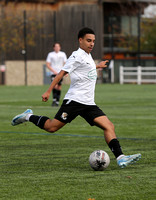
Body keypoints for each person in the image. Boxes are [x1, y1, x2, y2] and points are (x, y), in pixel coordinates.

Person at [11, 27, 141, 168]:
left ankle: (121, 158)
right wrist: (48, 91)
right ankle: (28, 116)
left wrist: (97, 66)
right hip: (74, 101)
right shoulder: (76, 55)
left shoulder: (87, 56)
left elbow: (85, 69)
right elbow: (61, 74)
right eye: (88, 40)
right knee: (51, 127)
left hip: (88, 103)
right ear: (80, 40)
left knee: (109, 126)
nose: (92, 44)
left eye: (93, 41)